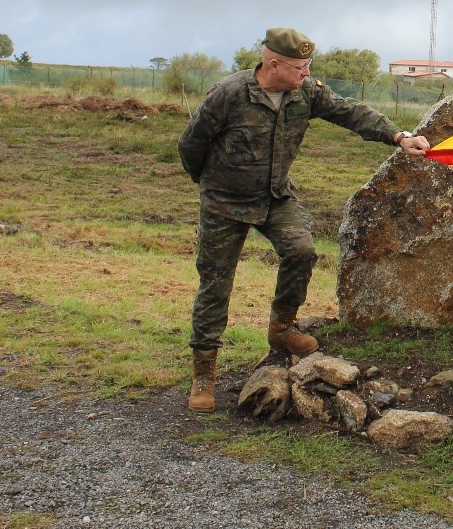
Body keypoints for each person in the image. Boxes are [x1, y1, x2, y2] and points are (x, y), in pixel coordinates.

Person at [177, 27, 430, 413]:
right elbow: (191, 143)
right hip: (224, 203)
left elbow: (349, 111)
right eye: (299, 66)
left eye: (308, 65)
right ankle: (204, 373)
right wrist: (210, 185)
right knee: (215, 283)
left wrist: (398, 136)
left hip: (275, 196)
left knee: (302, 251)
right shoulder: (229, 94)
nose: (306, 72)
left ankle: (281, 329)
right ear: (273, 64)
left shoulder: (306, 91)